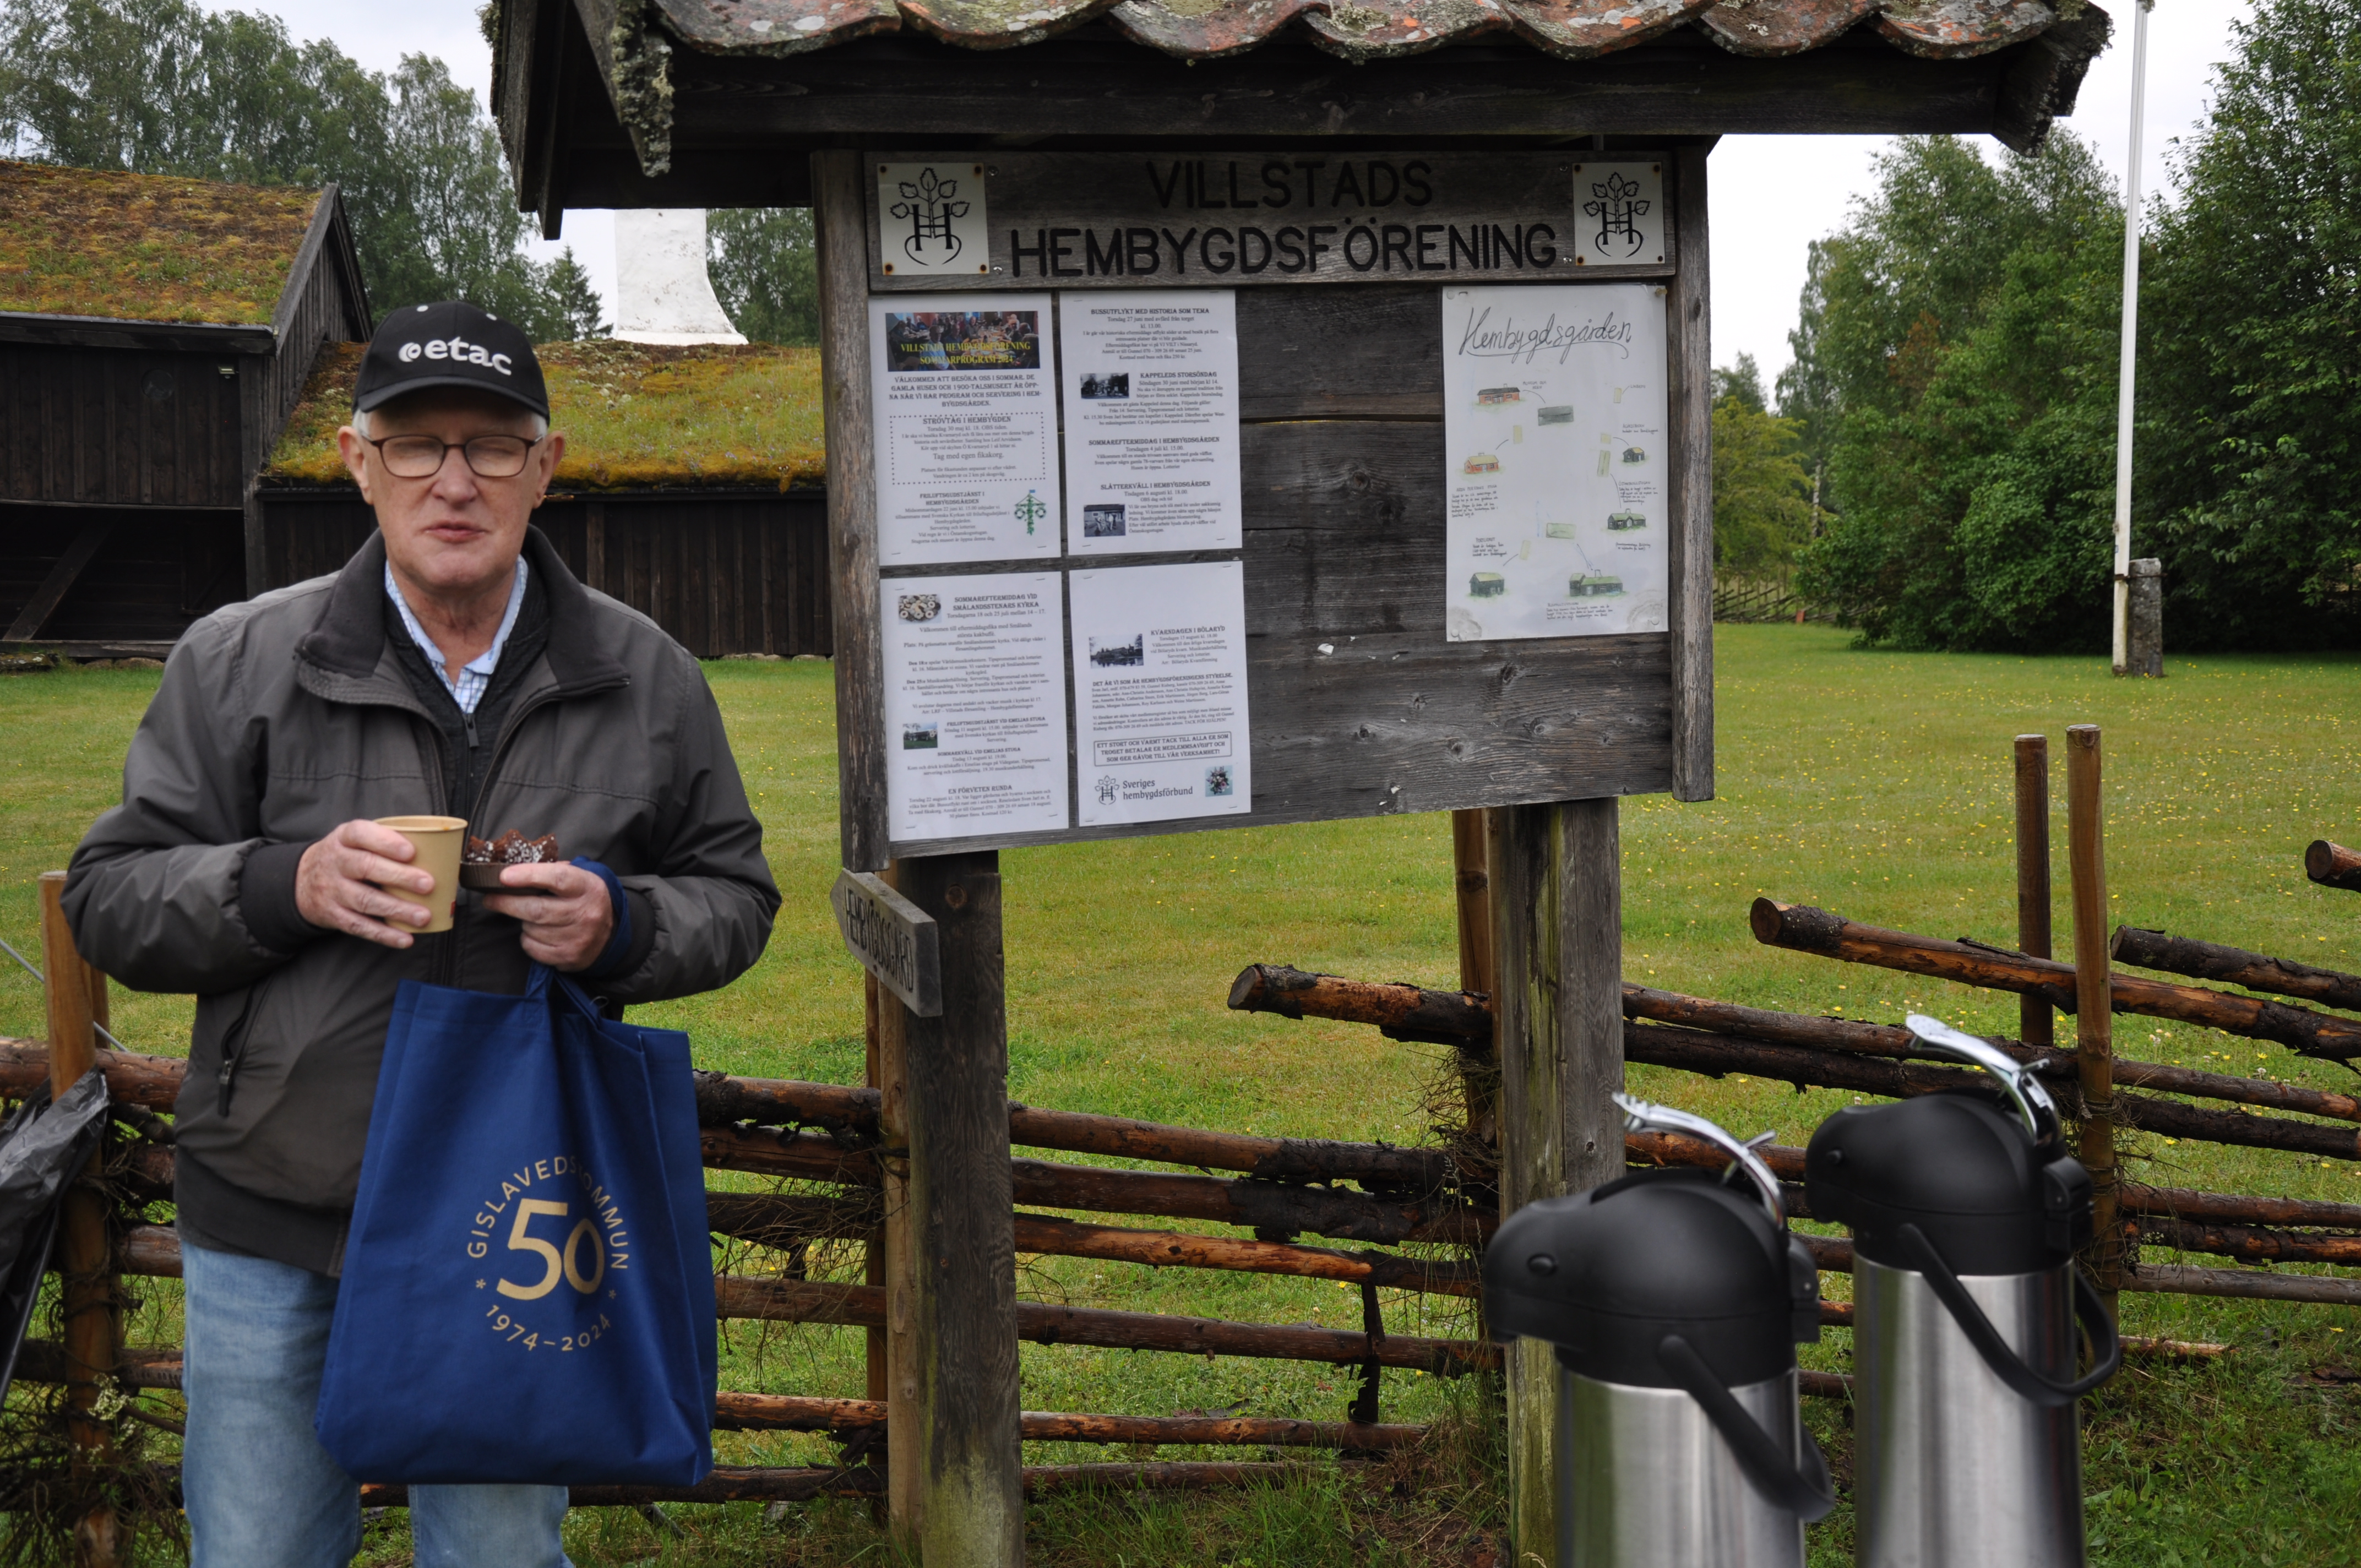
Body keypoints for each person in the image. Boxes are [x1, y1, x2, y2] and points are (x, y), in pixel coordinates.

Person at [63, 301, 780, 1568]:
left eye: (493, 445)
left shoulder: (645, 675)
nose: (454, 480)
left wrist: (620, 922)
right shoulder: (240, 659)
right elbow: (111, 894)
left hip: (512, 1208)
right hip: (277, 1201)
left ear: (545, 466)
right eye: (414, 444)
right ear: (357, 461)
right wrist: (287, 884)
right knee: (261, 1549)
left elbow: (735, 893)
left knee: (496, 1552)